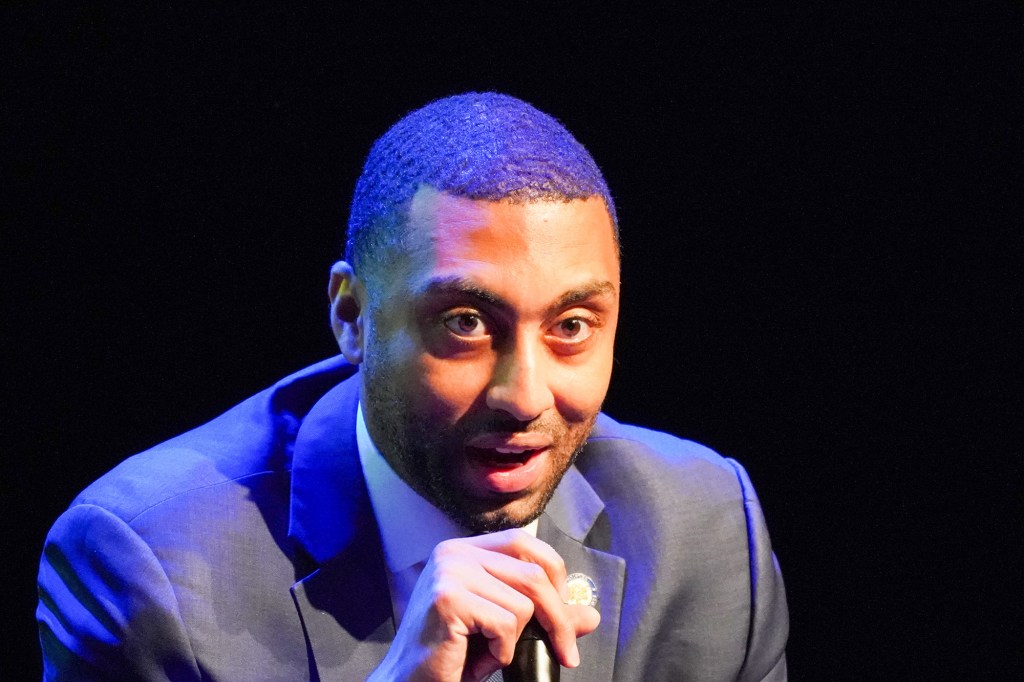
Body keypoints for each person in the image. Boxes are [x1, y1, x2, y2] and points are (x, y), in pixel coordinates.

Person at [37, 92, 788, 681]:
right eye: (465, 322)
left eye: (572, 326)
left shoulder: (709, 531)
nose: (524, 397)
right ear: (352, 317)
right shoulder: (148, 565)